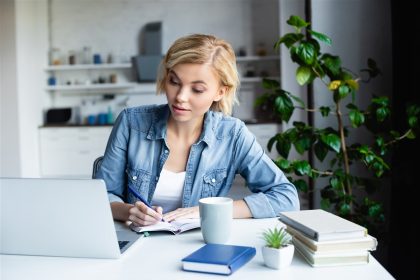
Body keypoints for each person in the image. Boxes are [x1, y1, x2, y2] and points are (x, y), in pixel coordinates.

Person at [95, 34, 299, 227]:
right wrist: (128, 211)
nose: (180, 97)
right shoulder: (131, 123)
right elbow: (102, 194)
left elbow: (286, 197)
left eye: (197, 89)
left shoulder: (233, 134)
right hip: (137, 244)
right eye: (174, 82)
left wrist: (210, 210)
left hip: (199, 243)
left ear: (220, 92)